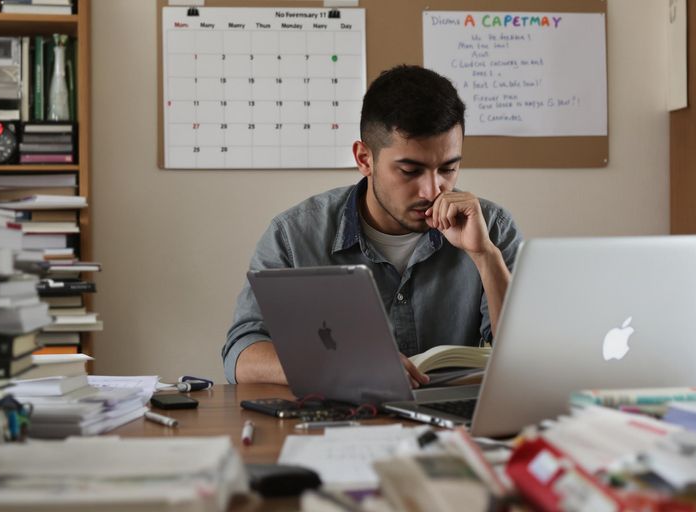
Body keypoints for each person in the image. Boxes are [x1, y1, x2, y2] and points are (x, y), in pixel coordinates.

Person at [222, 65, 522, 385]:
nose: (433, 190)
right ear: (365, 159)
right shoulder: (294, 235)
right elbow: (242, 354)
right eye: (410, 171)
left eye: (448, 169)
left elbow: (527, 360)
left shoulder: (491, 228)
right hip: (344, 423)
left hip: (452, 424)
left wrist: (486, 257)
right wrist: (339, 366)